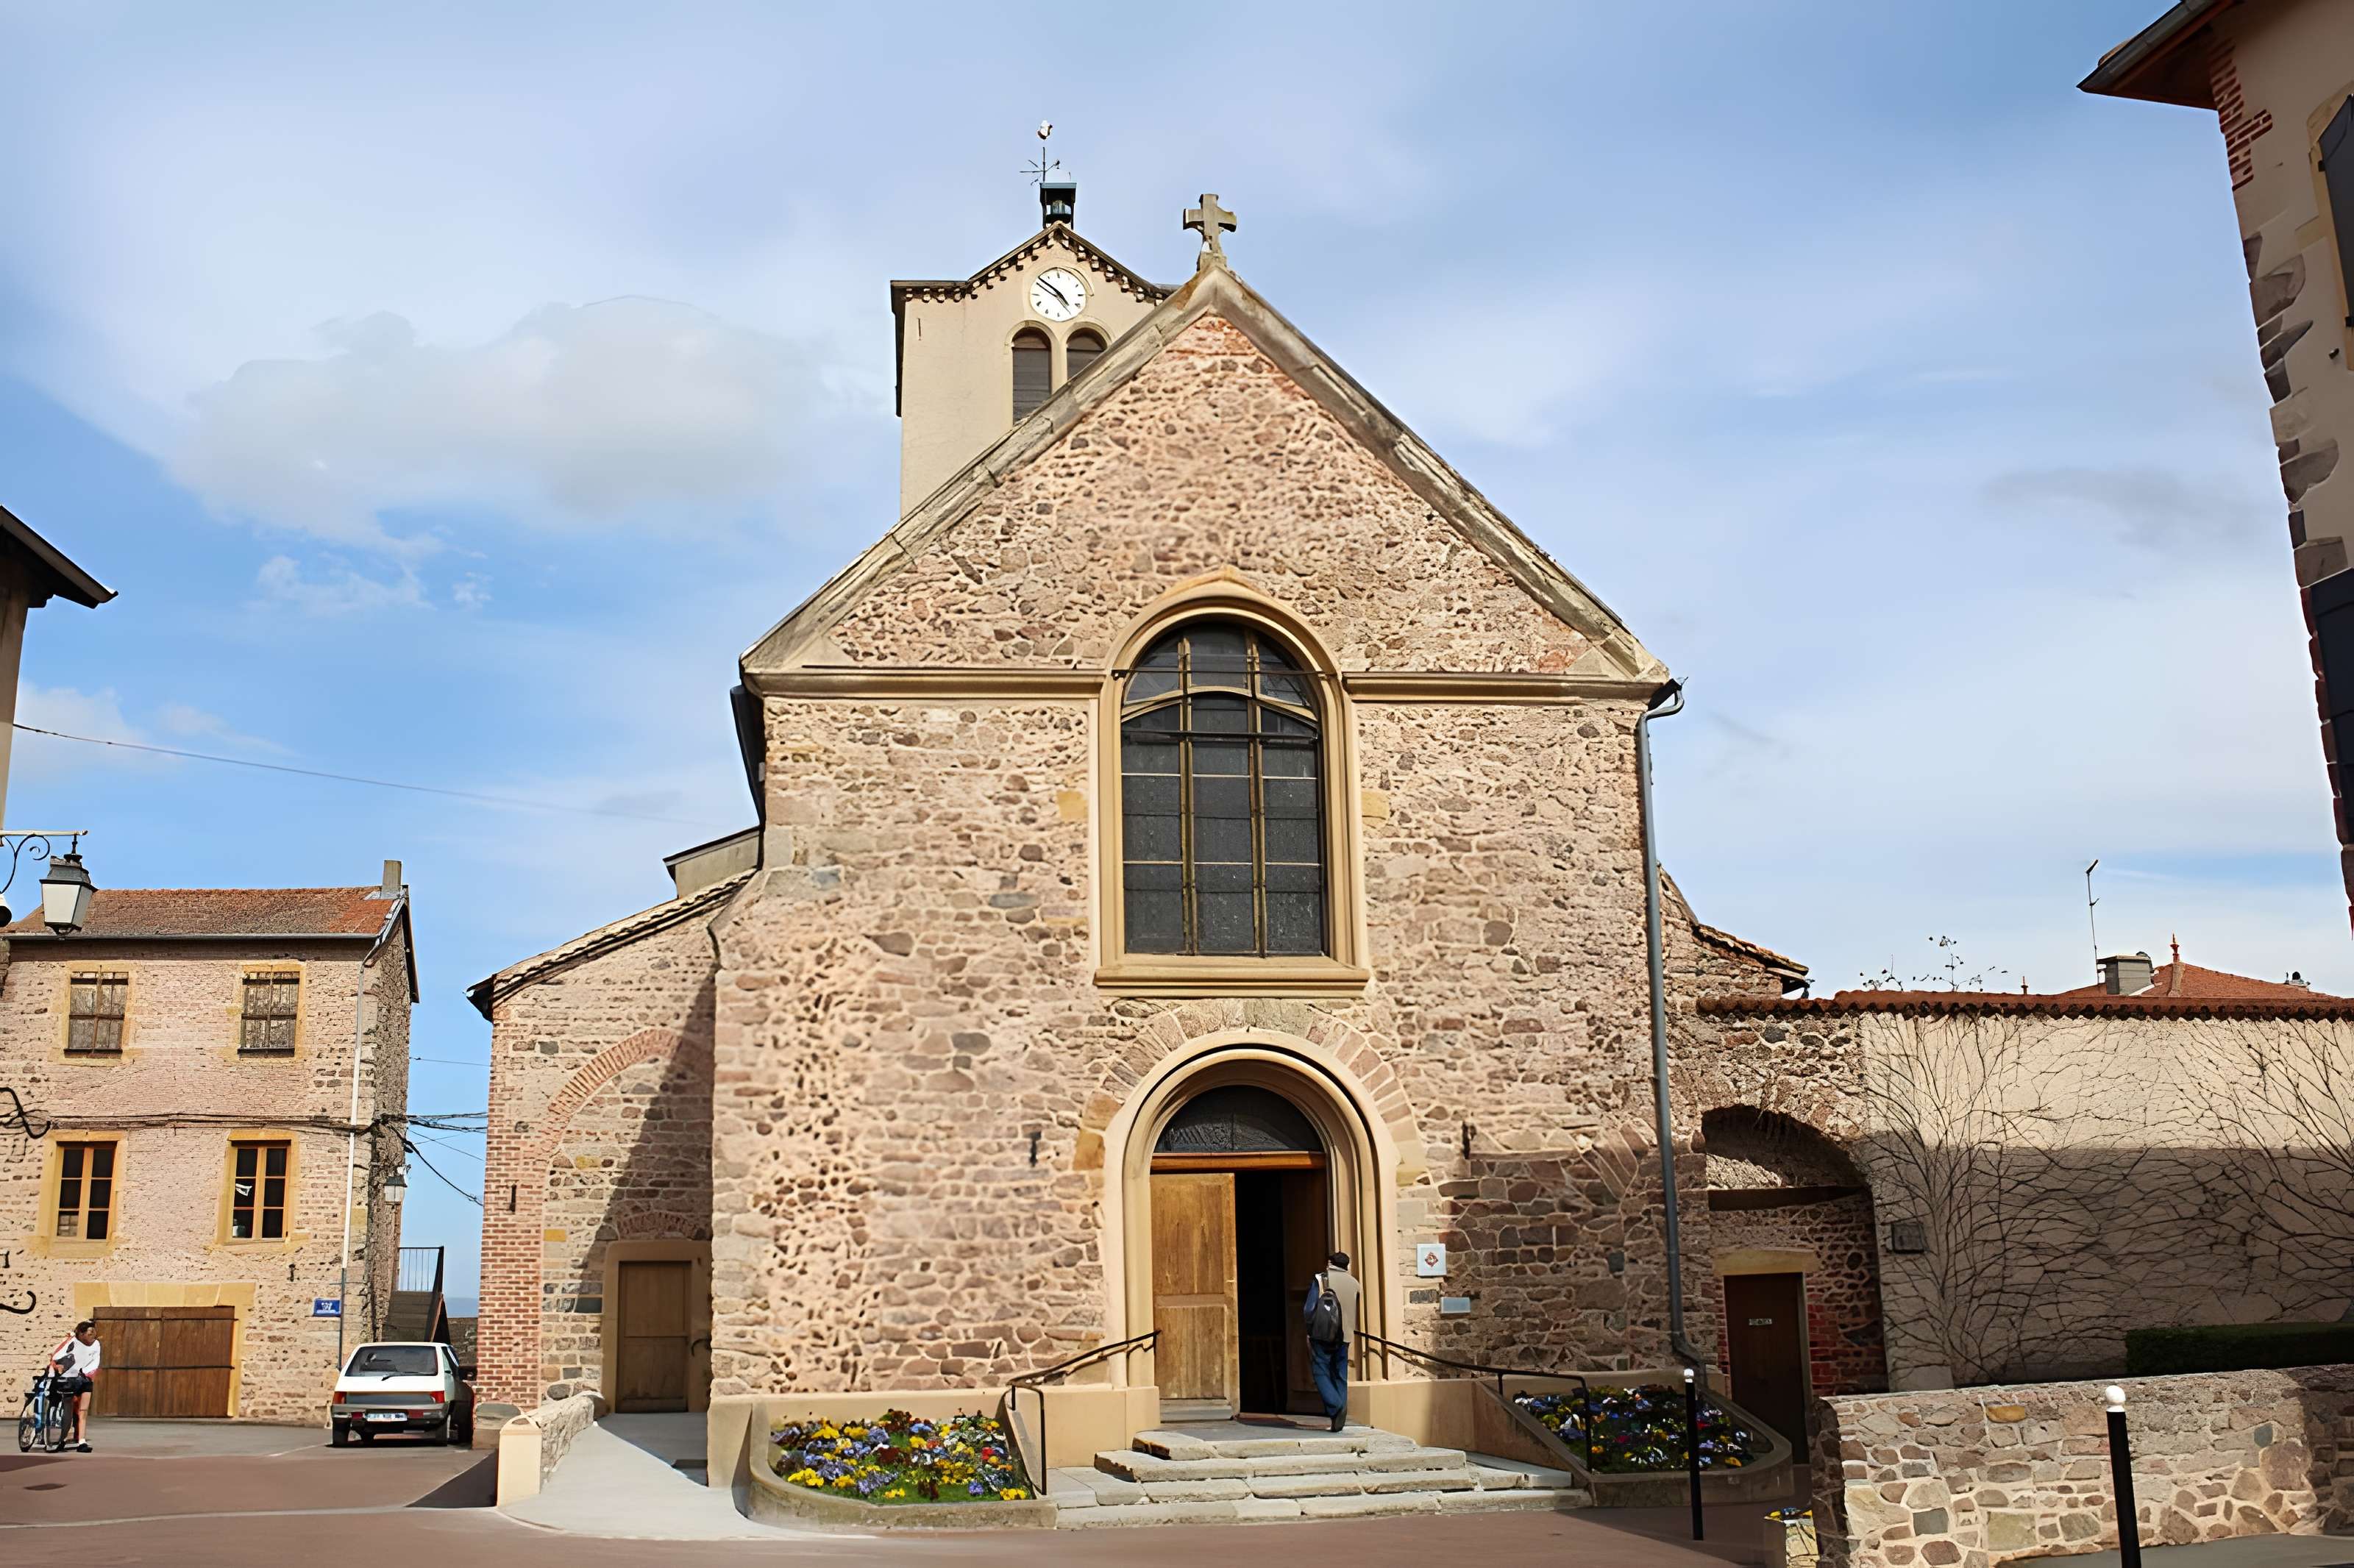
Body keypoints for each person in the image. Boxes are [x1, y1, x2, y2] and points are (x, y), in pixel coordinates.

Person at [1301, 1250, 1359, 1433]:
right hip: (1345, 1336)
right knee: (1340, 1375)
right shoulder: (1355, 1284)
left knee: (1320, 1371)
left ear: (1329, 1263)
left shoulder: (1321, 1279)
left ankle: (1336, 1407)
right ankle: (1338, 1418)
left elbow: (1309, 1309)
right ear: (1346, 1266)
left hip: (1323, 1334)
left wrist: (1310, 1330)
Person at [48, 1320, 101, 1452]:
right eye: (89, 1334)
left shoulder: (96, 1344)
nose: (92, 1336)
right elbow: (57, 1355)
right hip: (69, 1378)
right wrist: (59, 1366)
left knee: (83, 1411)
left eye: (94, 1333)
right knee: (68, 1411)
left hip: (85, 1378)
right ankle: (62, 1439)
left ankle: (82, 1442)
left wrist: (88, 1373)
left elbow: (96, 1360)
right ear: (81, 1333)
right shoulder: (72, 1342)